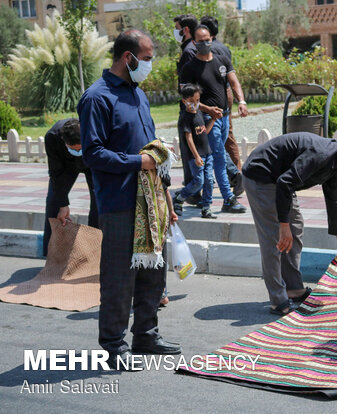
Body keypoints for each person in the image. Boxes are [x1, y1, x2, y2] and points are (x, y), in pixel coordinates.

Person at [78, 29, 181, 370]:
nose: (150, 65)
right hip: (120, 203)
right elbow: (92, 154)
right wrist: (140, 162)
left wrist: (166, 194)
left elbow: (151, 148)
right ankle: (112, 347)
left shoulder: (139, 94)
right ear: (129, 58)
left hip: (151, 201)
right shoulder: (97, 97)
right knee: (120, 278)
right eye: (147, 58)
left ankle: (146, 336)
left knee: (153, 271)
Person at [242, 132, 337, 315]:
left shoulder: (335, 163)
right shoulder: (321, 155)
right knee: (275, 238)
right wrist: (283, 225)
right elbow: (285, 182)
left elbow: (334, 201)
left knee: (295, 227)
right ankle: (277, 299)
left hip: (283, 182)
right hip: (262, 176)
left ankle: (294, 289)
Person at [179, 24, 248, 214]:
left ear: (212, 38)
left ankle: (200, 199)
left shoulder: (222, 60)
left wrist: (241, 101)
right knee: (218, 156)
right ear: (194, 42)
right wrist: (208, 109)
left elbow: (233, 81)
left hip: (224, 117)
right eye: (200, 41)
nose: (205, 43)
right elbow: (186, 98)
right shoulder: (189, 68)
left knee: (216, 157)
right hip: (208, 119)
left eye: (207, 39)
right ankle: (228, 198)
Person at [200, 15, 244, 196]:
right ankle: (237, 172)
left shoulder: (210, 51)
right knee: (228, 136)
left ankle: (234, 174)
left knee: (215, 140)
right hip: (226, 94)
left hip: (213, 97)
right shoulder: (224, 47)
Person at [43, 118, 98, 257]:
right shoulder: (52, 137)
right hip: (65, 166)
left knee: (99, 202)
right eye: (73, 149)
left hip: (92, 163)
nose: (77, 151)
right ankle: (52, 254)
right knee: (53, 202)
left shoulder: (94, 131)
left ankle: (95, 252)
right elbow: (55, 173)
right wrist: (63, 204)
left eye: (79, 148)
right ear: (63, 141)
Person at [173, 83, 216, 219]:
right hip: (196, 156)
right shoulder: (185, 118)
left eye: (197, 101)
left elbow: (204, 131)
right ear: (184, 101)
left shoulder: (199, 114)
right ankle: (180, 197)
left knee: (209, 180)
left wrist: (213, 119)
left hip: (207, 153)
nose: (195, 104)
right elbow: (189, 138)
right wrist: (196, 156)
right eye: (191, 101)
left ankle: (206, 207)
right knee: (198, 181)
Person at [173, 14, 201, 206]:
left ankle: (193, 192)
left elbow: (191, 85)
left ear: (186, 30)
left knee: (190, 150)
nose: (175, 31)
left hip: (190, 109)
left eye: (177, 28)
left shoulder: (189, 52)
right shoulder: (189, 50)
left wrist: (191, 107)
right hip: (191, 107)